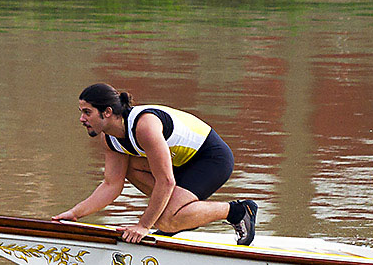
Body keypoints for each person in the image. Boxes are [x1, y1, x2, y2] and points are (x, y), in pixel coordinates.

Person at [53, 82, 258, 245]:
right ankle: (181, 216)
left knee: (165, 220)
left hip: (211, 158)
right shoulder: (110, 138)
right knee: (131, 169)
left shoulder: (145, 126)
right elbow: (111, 185)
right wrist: (75, 213)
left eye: (87, 112)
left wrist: (144, 226)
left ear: (107, 112)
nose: (81, 119)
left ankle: (239, 211)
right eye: (81, 112)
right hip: (178, 163)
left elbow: (166, 181)